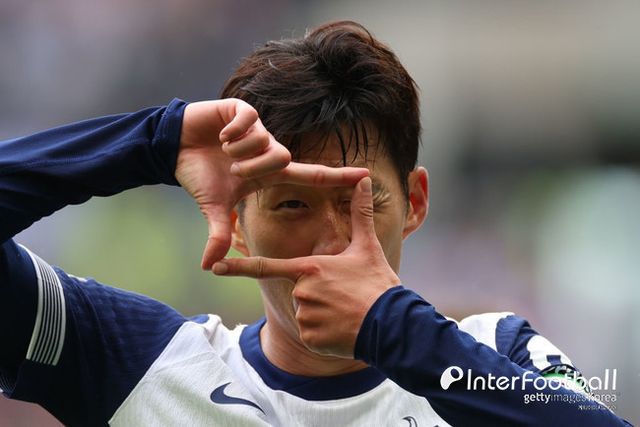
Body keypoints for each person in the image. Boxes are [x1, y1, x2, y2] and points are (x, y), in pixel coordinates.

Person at [0, 21, 630, 427]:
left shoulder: (496, 356)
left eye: (362, 201)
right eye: (292, 204)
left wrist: (392, 329)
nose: (333, 245)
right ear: (236, 221)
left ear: (414, 203)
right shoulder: (141, 364)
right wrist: (151, 141)